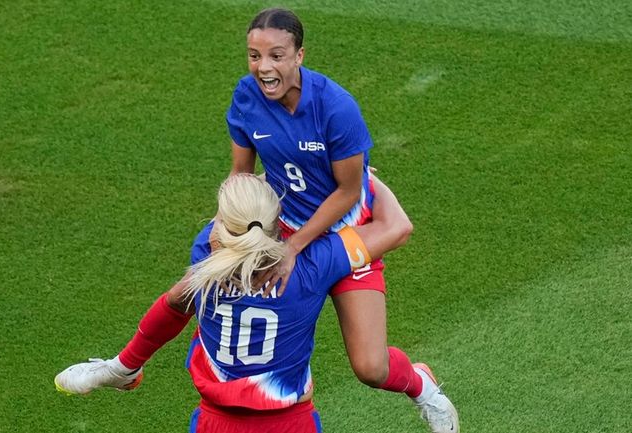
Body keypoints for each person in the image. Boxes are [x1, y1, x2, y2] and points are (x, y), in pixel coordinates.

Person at [55, 7, 459, 433]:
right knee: (188, 291)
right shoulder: (247, 97)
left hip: (346, 232)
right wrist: (222, 227)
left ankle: (423, 387)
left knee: (370, 367)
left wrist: (295, 247)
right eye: (254, 55)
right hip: (272, 228)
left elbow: (347, 192)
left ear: (300, 55)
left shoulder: (336, 108)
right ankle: (123, 366)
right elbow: (242, 176)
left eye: (276, 56)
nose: (264, 67)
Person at [58, 174, 418, 432]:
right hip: (290, 424)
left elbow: (173, 303)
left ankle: (123, 368)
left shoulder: (205, 256)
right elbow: (398, 226)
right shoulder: (312, 266)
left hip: (215, 422)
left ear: (223, 228)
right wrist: (364, 181)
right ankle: (123, 368)